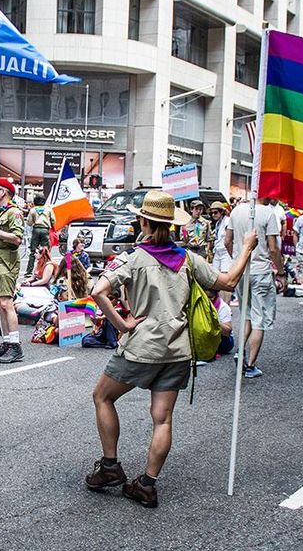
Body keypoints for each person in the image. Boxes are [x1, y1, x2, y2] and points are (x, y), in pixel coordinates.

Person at [85, 190, 258, 508]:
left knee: (103, 396)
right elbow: (229, 281)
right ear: (172, 225)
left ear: (142, 221)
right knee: (162, 419)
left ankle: (110, 467)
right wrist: (247, 248)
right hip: (179, 350)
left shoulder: (133, 258)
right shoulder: (189, 259)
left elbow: (98, 290)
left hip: (142, 348)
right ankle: (147, 485)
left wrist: (123, 326)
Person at [226, 197, 281, 378]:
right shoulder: (268, 213)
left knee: (246, 315)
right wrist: (280, 271)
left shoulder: (236, 210)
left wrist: (237, 258)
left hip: (242, 270)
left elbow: (227, 241)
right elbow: (273, 248)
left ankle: (239, 352)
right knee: (260, 319)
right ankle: (250, 365)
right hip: (261, 271)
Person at [0, 178, 25, 364]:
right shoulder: (1, 212)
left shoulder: (14, 212)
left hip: (6, 262)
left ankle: (15, 346)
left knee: (7, 302)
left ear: (4, 192)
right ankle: (7, 342)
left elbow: (17, 238)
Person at [26, 194, 53, 275]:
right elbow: (53, 220)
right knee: (45, 251)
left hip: (36, 230)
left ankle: (29, 271)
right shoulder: (48, 209)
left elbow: (29, 222)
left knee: (33, 251)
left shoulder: (33, 210)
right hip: (45, 230)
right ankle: (46, 269)